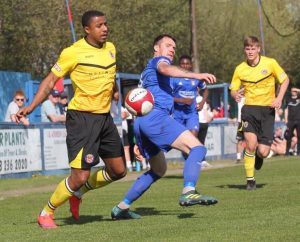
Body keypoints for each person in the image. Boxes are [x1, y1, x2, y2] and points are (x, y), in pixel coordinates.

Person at [16, 10, 127, 229]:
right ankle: (46, 212)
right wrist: (31, 106)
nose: (105, 29)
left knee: (119, 171)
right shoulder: (72, 52)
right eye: (99, 26)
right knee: (79, 175)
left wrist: (114, 92)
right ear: (87, 29)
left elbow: (109, 76)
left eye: (106, 24)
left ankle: (78, 194)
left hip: (104, 118)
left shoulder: (111, 49)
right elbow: (50, 81)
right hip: (82, 119)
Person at [110, 34, 218, 220]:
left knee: (158, 170)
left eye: (174, 48)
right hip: (156, 117)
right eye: (168, 45)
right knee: (198, 148)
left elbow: (139, 101)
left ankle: (121, 207)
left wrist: (139, 137)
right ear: (156, 49)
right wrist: (197, 75)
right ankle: (189, 190)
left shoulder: (147, 73)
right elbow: (166, 68)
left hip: (143, 122)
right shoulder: (158, 63)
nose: (172, 50)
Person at [230, 36, 289, 190]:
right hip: (249, 110)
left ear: (258, 49)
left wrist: (279, 98)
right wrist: (235, 94)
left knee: (263, 151)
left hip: (267, 111)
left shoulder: (270, 63)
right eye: (247, 48)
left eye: (253, 48)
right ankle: (250, 180)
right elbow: (233, 88)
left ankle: (258, 156)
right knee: (250, 145)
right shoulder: (240, 68)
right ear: (245, 50)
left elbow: (285, 80)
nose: (250, 51)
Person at [172, 55, 208, 138]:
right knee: (180, 142)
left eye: (187, 64)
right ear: (179, 65)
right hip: (177, 115)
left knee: (192, 139)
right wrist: (181, 100)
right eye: (182, 64)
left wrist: (202, 103)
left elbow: (206, 90)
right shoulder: (174, 79)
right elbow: (166, 96)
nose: (185, 66)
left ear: (191, 65)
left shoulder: (196, 77)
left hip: (192, 114)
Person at [196, 97, 214, 167]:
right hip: (198, 122)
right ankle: (199, 161)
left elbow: (205, 111)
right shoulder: (194, 97)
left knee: (201, 143)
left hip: (202, 123)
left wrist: (208, 119)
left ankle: (202, 161)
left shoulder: (200, 98)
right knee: (198, 143)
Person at [284, 87, 300, 156]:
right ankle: (287, 152)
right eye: (292, 91)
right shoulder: (288, 99)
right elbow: (286, 110)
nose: (293, 92)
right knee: (289, 136)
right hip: (290, 121)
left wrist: (296, 89)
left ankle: (299, 152)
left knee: (299, 136)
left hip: (299, 120)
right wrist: (286, 120)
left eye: (294, 91)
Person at [121, 106, 133, 171]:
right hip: (116, 129)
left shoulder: (121, 107)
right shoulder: (110, 105)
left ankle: (129, 165)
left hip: (124, 129)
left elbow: (128, 114)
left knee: (126, 147)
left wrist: (125, 114)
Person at [236, 96, 245, 163]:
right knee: (239, 140)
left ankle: (250, 155)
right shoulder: (239, 97)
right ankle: (238, 158)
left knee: (250, 139)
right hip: (241, 121)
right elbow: (235, 93)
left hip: (249, 121)